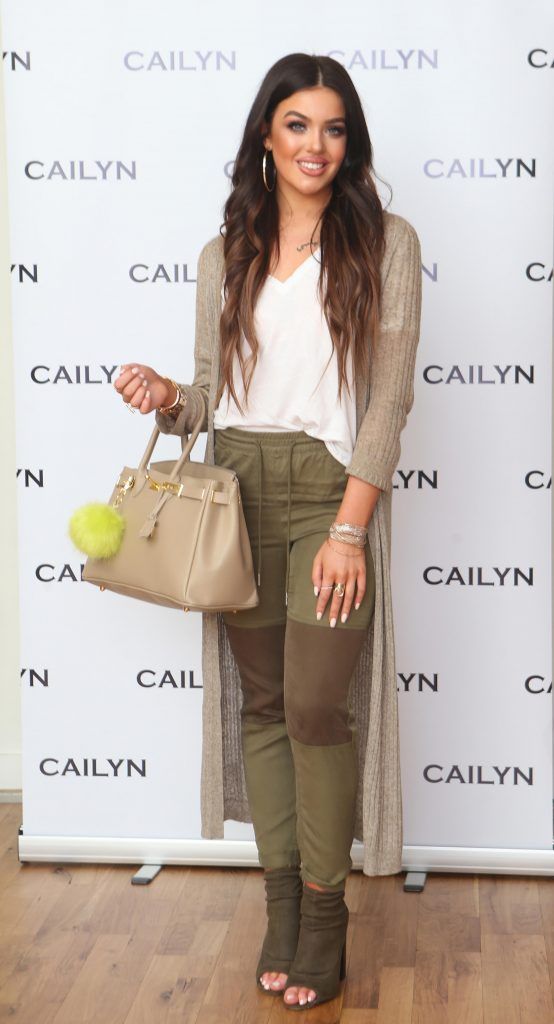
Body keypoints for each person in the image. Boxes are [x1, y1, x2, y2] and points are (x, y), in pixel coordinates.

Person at [113, 52, 421, 1011]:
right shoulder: (225, 255)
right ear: (265, 136)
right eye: (297, 125)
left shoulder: (387, 245)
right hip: (234, 490)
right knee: (261, 710)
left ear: (350, 141)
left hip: (330, 493)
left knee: (318, 710)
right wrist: (168, 397)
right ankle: (280, 908)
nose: (315, 147)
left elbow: (388, 399)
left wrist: (348, 530)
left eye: (333, 128)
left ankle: (326, 918)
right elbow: (209, 398)